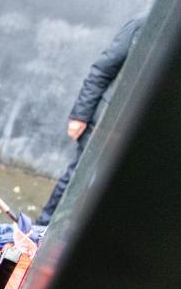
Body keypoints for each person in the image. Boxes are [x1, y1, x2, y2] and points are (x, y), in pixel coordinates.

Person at [37, 17, 145, 225]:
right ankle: (42, 230)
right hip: (107, 124)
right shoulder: (142, 25)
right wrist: (80, 115)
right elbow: (102, 70)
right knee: (77, 179)